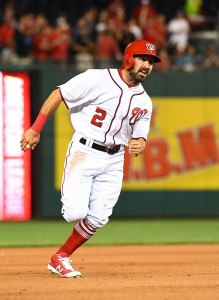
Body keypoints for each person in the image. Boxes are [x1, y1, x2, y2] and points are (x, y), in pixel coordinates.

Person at [20, 39, 161, 278]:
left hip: (114, 160)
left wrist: (140, 143)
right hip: (85, 152)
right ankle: (65, 243)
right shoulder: (97, 78)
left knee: (99, 217)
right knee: (75, 213)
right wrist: (35, 128)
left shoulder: (144, 101)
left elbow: (140, 135)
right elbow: (59, 94)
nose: (146, 65)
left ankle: (60, 257)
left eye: (150, 62)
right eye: (142, 59)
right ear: (128, 59)